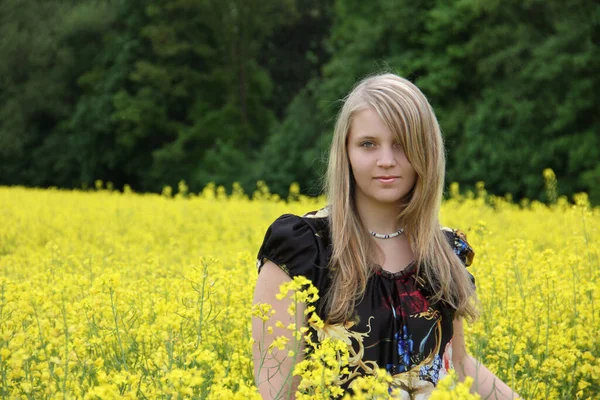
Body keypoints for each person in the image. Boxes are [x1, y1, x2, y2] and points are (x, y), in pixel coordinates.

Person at [252, 73, 520, 399]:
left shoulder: (443, 252)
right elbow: (277, 390)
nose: (386, 161)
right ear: (346, 152)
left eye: (402, 144)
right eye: (368, 144)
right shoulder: (302, 248)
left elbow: (459, 365)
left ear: (427, 152)